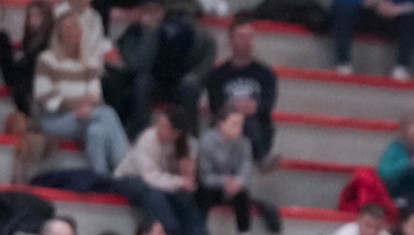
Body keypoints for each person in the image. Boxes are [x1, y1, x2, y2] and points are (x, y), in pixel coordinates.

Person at [33, 11, 128, 176]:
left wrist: (88, 107)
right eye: (66, 28)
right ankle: (127, 168)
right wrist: (76, 104)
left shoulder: (89, 61)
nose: (71, 32)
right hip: (55, 119)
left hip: (87, 116)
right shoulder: (47, 60)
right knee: (107, 113)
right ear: (59, 32)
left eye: (74, 27)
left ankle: (101, 179)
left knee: (97, 131)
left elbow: (96, 96)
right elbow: (44, 97)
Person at [103, 0, 209, 137]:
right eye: (146, 11)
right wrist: (150, 33)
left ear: (162, 12)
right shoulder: (133, 33)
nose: (151, 16)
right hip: (151, 83)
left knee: (189, 86)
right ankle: (141, 133)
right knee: (142, 83)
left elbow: (198, 52)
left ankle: (190, 136)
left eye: (155, 11)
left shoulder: (178, 30)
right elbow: (139, 64)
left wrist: (195, 74)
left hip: (177, 81)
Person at [113, 106, 210, 235]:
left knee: (185, 195)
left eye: (165, 126)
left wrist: (186, 174)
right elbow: (150, 176)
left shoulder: (190, 145)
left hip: (164, 180)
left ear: (176, 132)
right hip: (130, 177)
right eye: (159, 124)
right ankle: (170, 234)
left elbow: (188, 181)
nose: (159, 128)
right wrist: (179, 182)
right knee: (153, 192)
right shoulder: (148, 138)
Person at [197, 104, 283, 235]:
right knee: (201, 194)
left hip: (233, 187)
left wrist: (237, 182)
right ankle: (200, 234)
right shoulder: (207, 141)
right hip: (212, 185)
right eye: (234, 124)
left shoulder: (244, 143)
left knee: (243, 195)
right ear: (221, 123)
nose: (239, 128)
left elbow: (246, 171)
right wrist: (225, 181)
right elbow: (205, 175)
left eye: (240, 124)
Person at [203, 18, 277, 165]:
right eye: (242, 37)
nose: (247, 41)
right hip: (226, 127)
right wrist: (234, 108)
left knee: (249, 122)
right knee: (236, 120)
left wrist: (249, 107)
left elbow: (268, 103)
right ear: (231, 40)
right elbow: (215, 104)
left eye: (250, 37)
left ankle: (259, 155)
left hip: (256, 124)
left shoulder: (265, 73)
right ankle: (261, 158)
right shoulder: (218, 74)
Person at [331, 0, 414, 81]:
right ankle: (343, 64)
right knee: (343, 9)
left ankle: (402, 67)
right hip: (364, 12)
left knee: (412, 16)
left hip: (396, 15)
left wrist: (396, 8)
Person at [0, 0, 56, 116]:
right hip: (25, 78)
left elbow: (37, 62)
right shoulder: (32, 38)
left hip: (37, 82)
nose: (34, 19)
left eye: (38, 15)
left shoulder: (50, 39)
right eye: (31, 16)